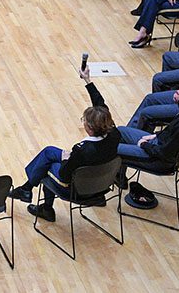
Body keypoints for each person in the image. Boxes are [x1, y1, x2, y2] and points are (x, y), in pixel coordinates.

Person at [9, 67, 120, 222]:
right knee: (49, 152)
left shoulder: (82, 151)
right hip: (101, 184)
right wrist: (88, 80)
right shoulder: (114, 134)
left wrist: (67, 158)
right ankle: (26, 189)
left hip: (78, 189)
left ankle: (44, 206)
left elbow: (64, 175)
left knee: (47, 165)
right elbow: (101, 104)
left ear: (89, 128)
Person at [117, 74, 179, 181]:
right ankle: (119, 177)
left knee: (110, 149)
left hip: (158, 160)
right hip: (158, 144)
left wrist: (144, 145)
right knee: (121, 131)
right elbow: (170, 133)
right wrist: (154, 135)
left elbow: (164, 153)